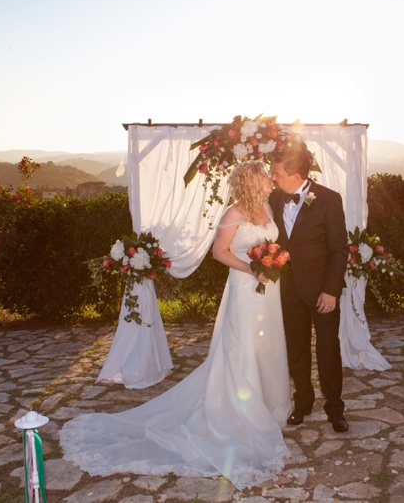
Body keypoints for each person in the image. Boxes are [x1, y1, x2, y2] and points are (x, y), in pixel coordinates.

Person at [59, 161, 292, 490]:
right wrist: (251, 269)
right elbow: (219, 252)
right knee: (243, 346)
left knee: (267, 345)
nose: (271, 179)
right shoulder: (232, 214)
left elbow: (272, 244)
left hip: (269, 289)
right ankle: (241, 411)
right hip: (244, 288)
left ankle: (268, 404)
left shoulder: (268, 206)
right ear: (254, 182)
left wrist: (273, 261)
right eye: (266, 176)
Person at [268, 146, 350, 433]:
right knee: (296, 348)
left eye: (276, 173)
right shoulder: (275, 198)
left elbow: (339, 250)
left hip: (321, 290)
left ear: (295, 175)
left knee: (328, 349)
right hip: (288, 289)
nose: (273, 177)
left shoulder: (328, 199)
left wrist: (331, 291)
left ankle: (335, 409)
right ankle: (302, 402)